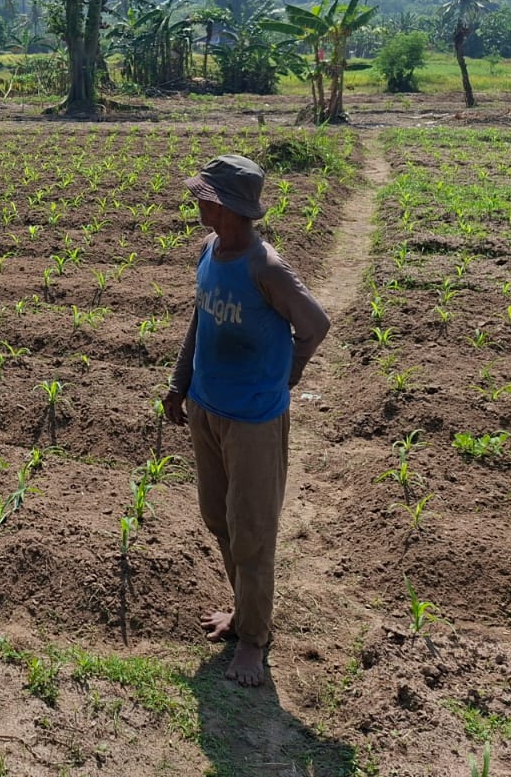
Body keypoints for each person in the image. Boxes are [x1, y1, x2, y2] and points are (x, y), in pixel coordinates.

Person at [163, 154, 330, 687]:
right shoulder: (210, 249)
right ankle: (242, 611)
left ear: (226, 206)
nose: (196, 201)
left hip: (254, 421)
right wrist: (179, 382)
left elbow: (315, 325)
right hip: (206, 408)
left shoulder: (267, 268)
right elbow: (200, 317)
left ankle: (254, 641)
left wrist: (286, 375)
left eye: (204, 195)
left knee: (252, 533)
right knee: (218, 517)